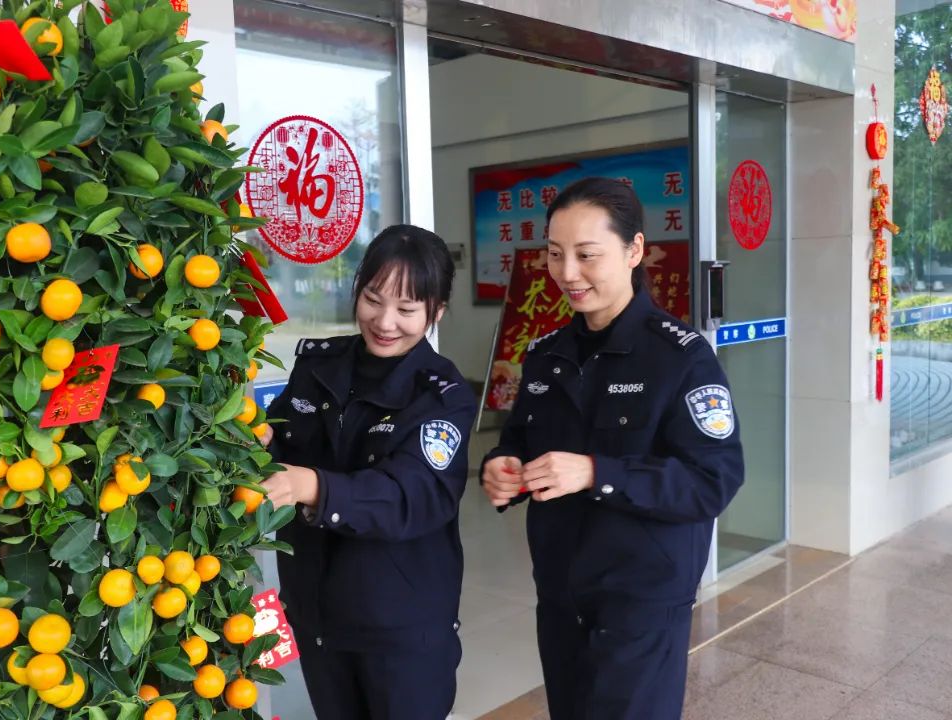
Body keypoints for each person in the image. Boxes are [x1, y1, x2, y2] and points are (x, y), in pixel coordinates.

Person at [480, 177, 745, 720]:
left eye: (586, 255)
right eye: (555, 254)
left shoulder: (681, 358)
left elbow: (711, 481)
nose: (567, 273)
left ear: (634, 250)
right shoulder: (546, 355)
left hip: (641, 601)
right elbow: (520, 439)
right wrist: (502, 466)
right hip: (560, 592)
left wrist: (595, 472)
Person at [260, 224, 476, 720]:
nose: (384, 321)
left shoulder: (442, 396)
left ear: (436, 312)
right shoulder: (319, 367)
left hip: (400, 626)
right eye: (373, 299)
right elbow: (283, 443)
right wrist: (262, 443)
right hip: (318, 614)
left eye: (407, 309)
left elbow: (410, 496)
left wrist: (312, 485)